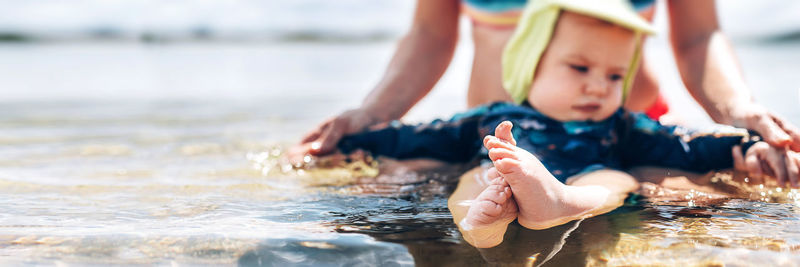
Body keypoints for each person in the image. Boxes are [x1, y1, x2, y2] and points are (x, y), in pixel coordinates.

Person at [328, 0, 800, 248]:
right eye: (580, 69)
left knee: (612, 179)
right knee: (481, 176)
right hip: (502, 155)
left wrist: (743, 136)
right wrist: (360, 132)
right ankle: (482, 228)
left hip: (609, 163)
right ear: (529, 66)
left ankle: (562, 202)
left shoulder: (623, 128)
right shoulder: (489, 122)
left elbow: (685, 143)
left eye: (616, 75)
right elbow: (416, 135)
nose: (598, 85)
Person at [290, 0, 800, 163]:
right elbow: (429, 35)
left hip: (632, 130)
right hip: (489, 140)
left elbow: (697, 37)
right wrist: (371, 119)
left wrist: (739, 114)